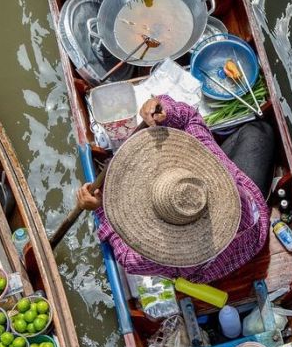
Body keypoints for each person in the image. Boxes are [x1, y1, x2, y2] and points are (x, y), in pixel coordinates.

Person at [77, 95, 275, 283]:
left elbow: (127, 257)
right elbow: (190, 118)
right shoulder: (212, 159)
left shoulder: (159, 255)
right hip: (254, 231)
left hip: (218, 263)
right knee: (259, 130)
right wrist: (166, 111)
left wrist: (101, 209)